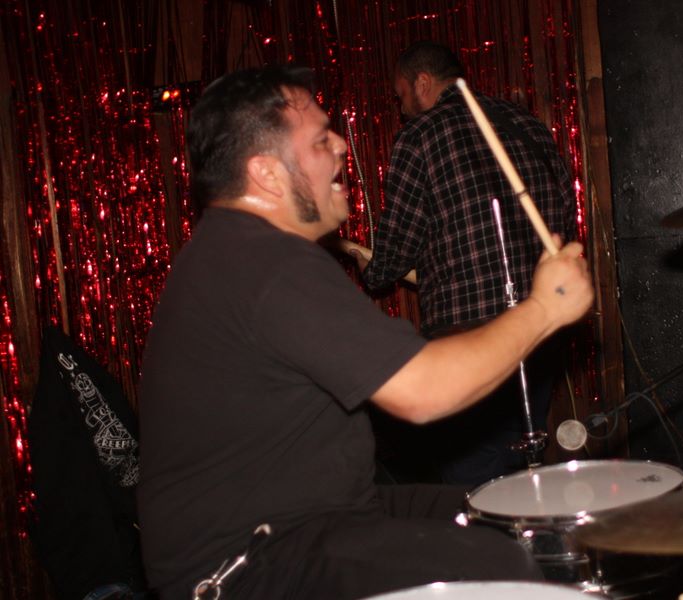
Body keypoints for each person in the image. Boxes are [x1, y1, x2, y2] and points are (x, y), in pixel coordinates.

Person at [136, 65, 592, 600]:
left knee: (512, 518)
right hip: (242, 563)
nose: (340, 147)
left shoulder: (237, 250)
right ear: (267, 173)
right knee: (493, 561)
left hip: (319, 516)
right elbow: (423, 391)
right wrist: (544, 308)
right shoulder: (263, 261)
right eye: (320, 140)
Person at [356, 41, 577, 485]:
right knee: (525, 471)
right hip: (540, 331)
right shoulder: (525, 124)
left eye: (402, 96)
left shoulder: (420, 136)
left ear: (423, 83)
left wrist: (372, 268)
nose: (401, 109)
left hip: (469, 339)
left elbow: (396, 248)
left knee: (470, 482)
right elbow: (564, 215)